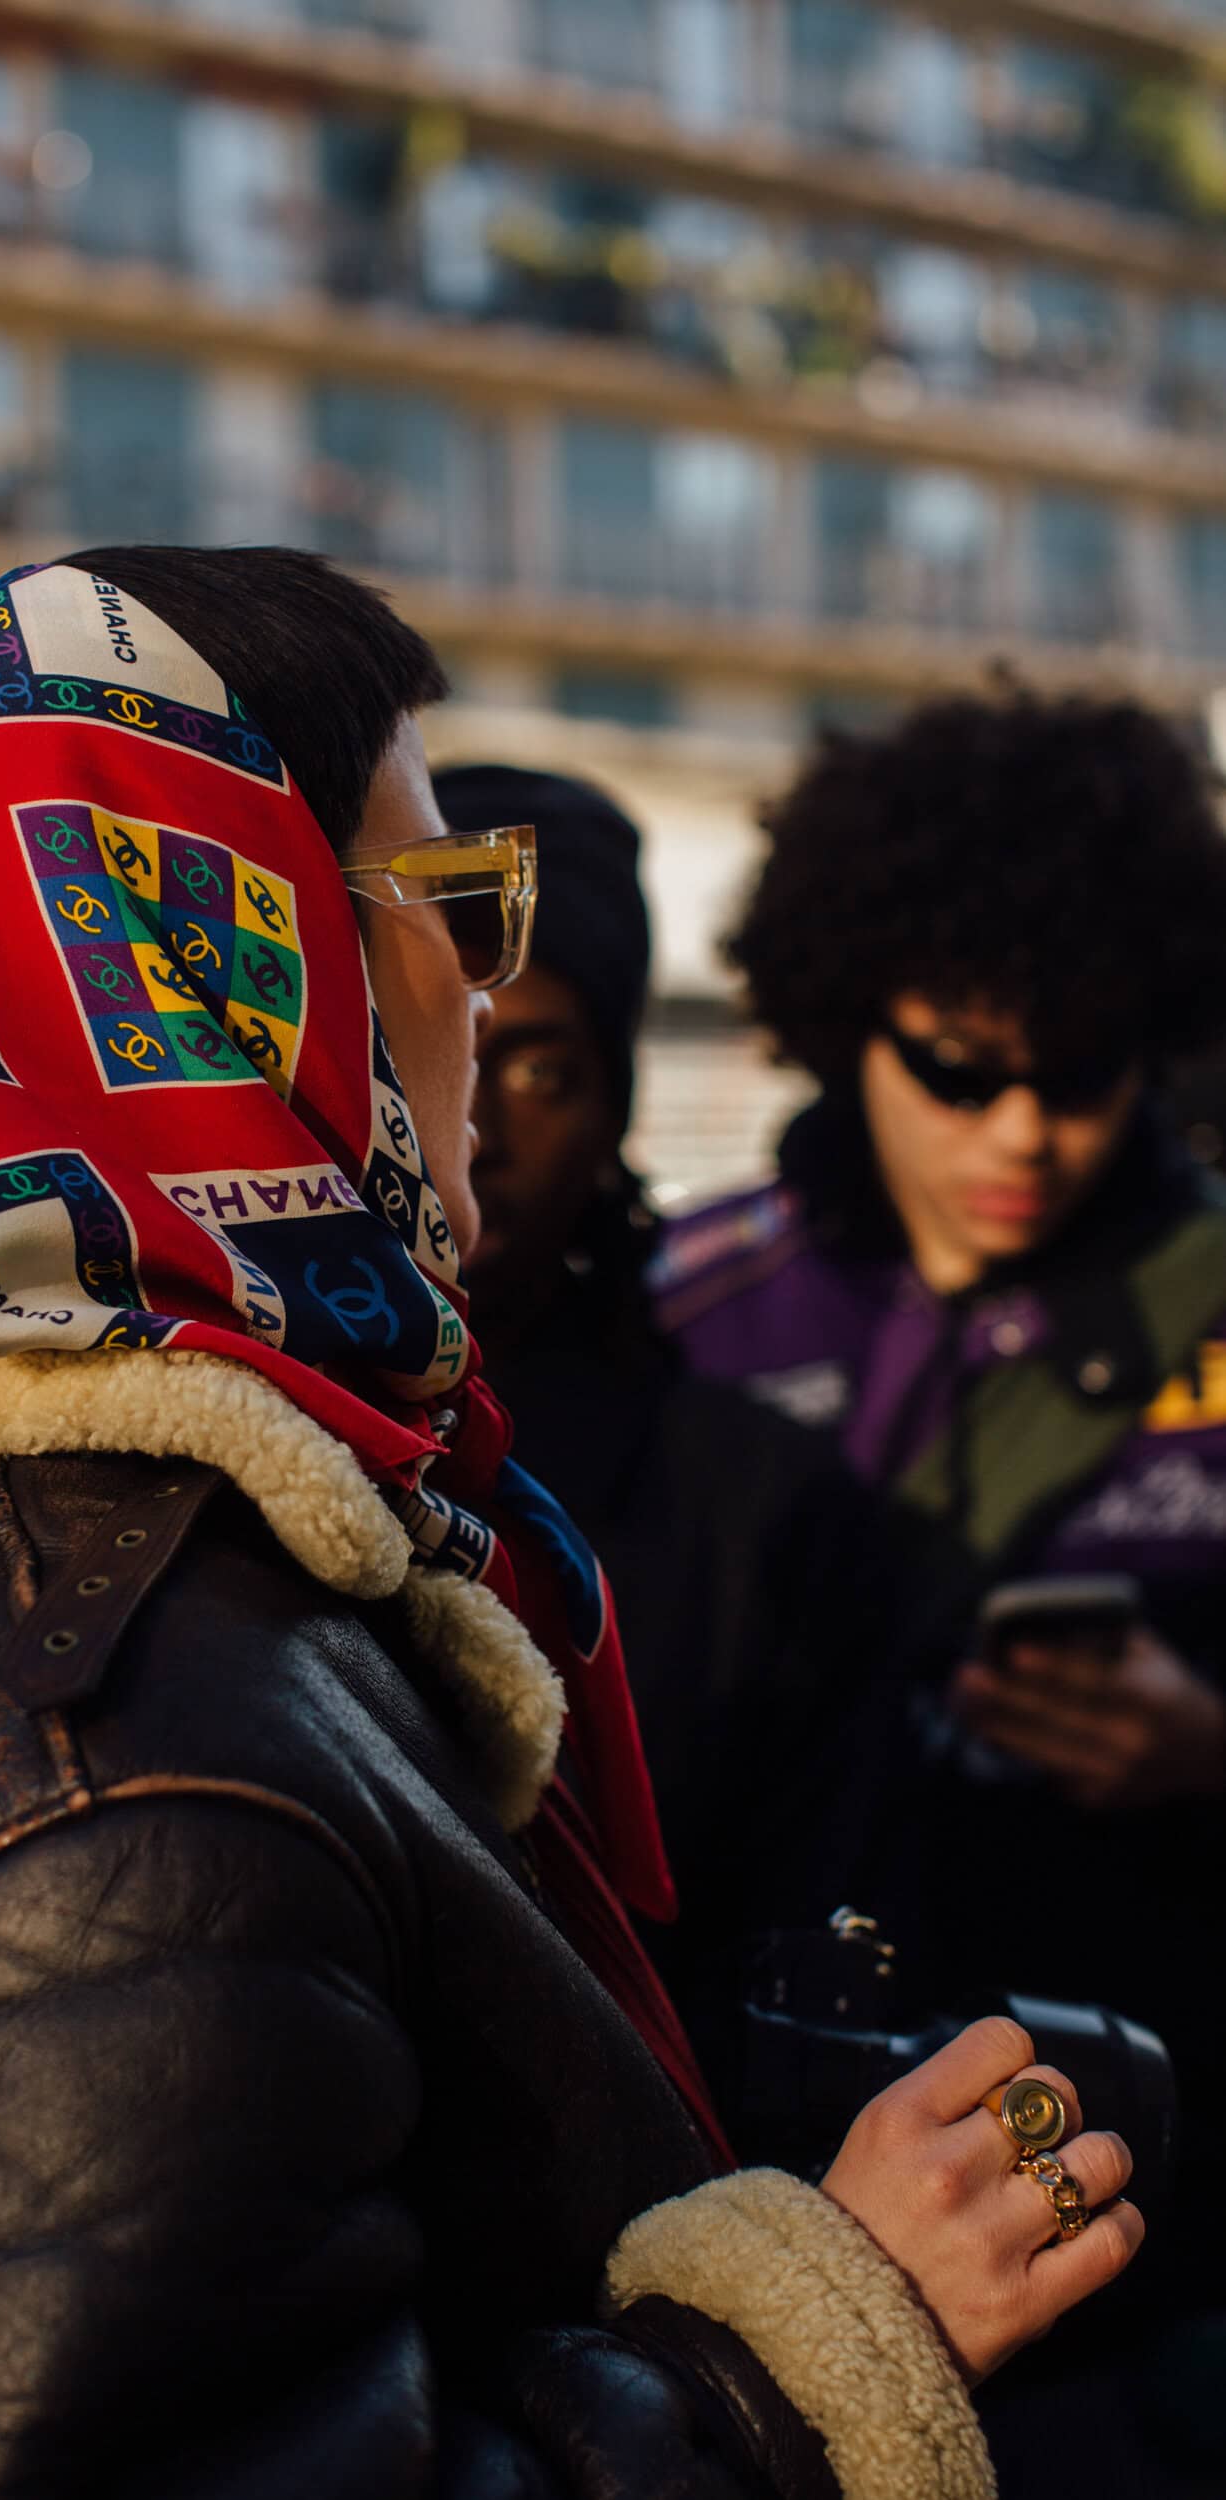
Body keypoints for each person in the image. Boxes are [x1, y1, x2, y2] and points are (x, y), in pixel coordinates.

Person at [0, 551, 1139, 2500]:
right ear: (225, 945)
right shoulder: (131, 1800)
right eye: (449, 904)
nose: (485, 985)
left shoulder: (136, 1538)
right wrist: (798, 2353)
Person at [650, 687, 1226, 2483]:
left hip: (1169, 2250)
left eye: (1082, 1068)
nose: (1025, 1131)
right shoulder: (685, 1313)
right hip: (781, 2219)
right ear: (847, 1021)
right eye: (962, 1071)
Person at [434, 763, 957, 2113]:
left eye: (538, 1067)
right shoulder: (188, 1435)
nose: (471, 1124)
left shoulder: (765, 1512)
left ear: (613, 1106)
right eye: (422, 1034)